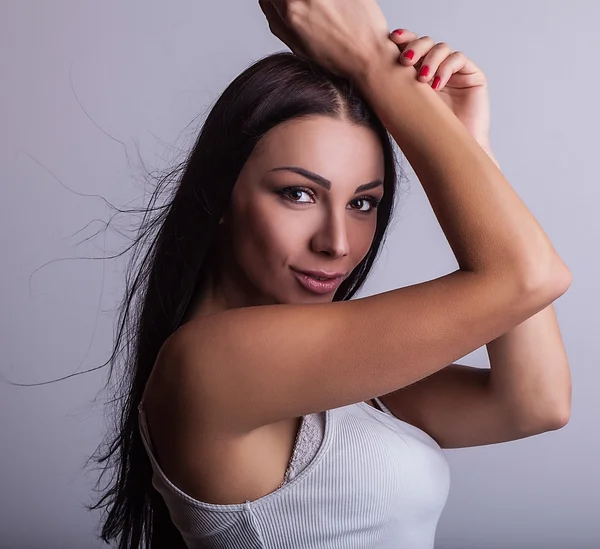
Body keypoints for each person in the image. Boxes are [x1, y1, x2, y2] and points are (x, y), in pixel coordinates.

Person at [90, 1, 572, 547]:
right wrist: (371, 60)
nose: (337, 243)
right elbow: (526, 278)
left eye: (362, 204)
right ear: (221, 194)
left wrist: (470, 145)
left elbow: (536, 402)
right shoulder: (210, 365)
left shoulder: (326, 374)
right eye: (298, 194)